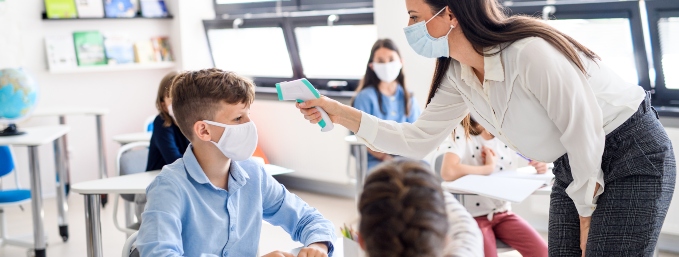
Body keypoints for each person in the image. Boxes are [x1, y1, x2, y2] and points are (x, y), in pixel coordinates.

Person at [295, 0, 675, 255]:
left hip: (629, 149)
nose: (408, 27)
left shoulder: (528, 52)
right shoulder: (458, 74)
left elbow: (584, 129)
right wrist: (335, 110)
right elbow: (415, 140)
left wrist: (587, 215)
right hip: (573, 160)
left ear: (449, 14)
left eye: (414, 16)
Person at [137, 69, 335, 257]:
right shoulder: (168, 188)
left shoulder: (254, 174)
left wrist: (318, 244)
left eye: (249, 114)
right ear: (204, 131)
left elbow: (309, 219)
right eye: (238, 118)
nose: (249, 124)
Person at [438, 115, 548, 257]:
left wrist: (541, 164)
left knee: (543, 252)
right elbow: (448, 171)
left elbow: (534, 156)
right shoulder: (461, 131)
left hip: (503, 214)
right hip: (473, 216)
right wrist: (487, 168)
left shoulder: (506, 132)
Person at [358, 159, 483, 257]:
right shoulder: (467, 247)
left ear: (361, 241)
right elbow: (464, 225)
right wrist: (422, 187)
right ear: (446, 239)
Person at [352, 39, 422, 170]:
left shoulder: (408, 97)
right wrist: (386, 158)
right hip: (375, 161)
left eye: (391, 59)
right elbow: (362, 137)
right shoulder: (365, 97)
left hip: (405, 157)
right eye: (380, 61)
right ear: (372, 66)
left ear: (401, 62)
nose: (386, 65)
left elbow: (416, 134)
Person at [146, 71, 190, 171]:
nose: (180, 105)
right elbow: (174, 160)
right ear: (163, 105)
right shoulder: (161, 122)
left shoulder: (193, 123)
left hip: (181, 179)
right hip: (159, 180)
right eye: (173, 100)